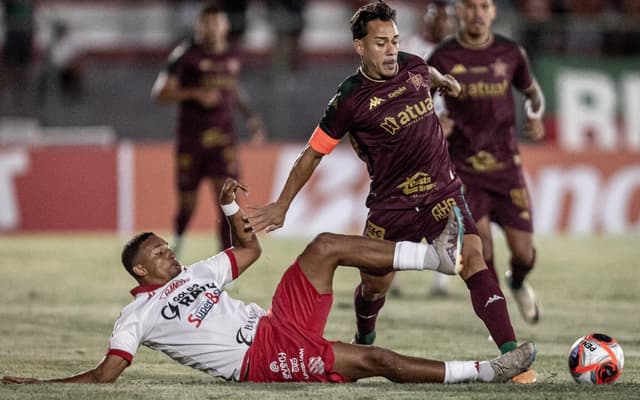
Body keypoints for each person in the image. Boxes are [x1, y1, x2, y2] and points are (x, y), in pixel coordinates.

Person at [1, 178, 536, 385]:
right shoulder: (135, 317)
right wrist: (33, 388)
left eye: (166, 248)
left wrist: (233, 205)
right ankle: (489, 371)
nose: (169, 254)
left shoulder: (195, 274)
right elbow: (104, 377)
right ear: (140, 271)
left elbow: (250, 248)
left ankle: (439, 259)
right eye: (159, 254)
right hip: (259, 360)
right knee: (376, 362)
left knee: (324, 245)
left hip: (279, 321)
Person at [247, 0, 534, 382]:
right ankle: (364, 337)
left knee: (473, 256)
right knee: (373, 287)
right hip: (391, 207)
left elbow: (426, 73)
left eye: (395, 41)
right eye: (381, 43)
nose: (391, 50)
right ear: (360, 47)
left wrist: (444, 82)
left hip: (441, 193)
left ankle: (510, 355)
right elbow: (311, 154)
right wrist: (282, 206)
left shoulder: (413, 65)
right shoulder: (349, 99)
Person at [427, 0, 545, 327]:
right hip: (465, 172)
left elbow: (533, 94)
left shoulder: (510, 53)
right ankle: (499, 320)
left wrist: (535, 117)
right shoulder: (442, 57)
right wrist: (436, 120)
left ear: (493, 12)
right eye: (469, 6)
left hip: (507, 169)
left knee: (524, 254)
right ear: (459, 13)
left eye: (484, 6)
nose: (477, 13)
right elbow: (419, 104)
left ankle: (518, 281)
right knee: (482, 248)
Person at [151, 3, 266, 257]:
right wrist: (195, 93)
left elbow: (233, 88)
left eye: (216, 23)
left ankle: (225, 266)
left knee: (227, 204)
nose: (212, 29)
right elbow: (159, 93)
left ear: (225, 27)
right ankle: (177, 247)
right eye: (206, 24)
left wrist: (251, 117)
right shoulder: (185, 55)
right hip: (191, 142)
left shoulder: (232, 57)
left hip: (223, 141)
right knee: (187, 206)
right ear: (198, 27)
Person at [399, 0, 457, 297]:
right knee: (399, 205)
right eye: (438, 16)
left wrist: (451, 120)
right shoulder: (410, 47)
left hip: (440, 142)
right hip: (408, 138)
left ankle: (441, 280)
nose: (442, 23)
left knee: (445, 204)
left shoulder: (457, 53)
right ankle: (386, 274)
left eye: (447, 17)